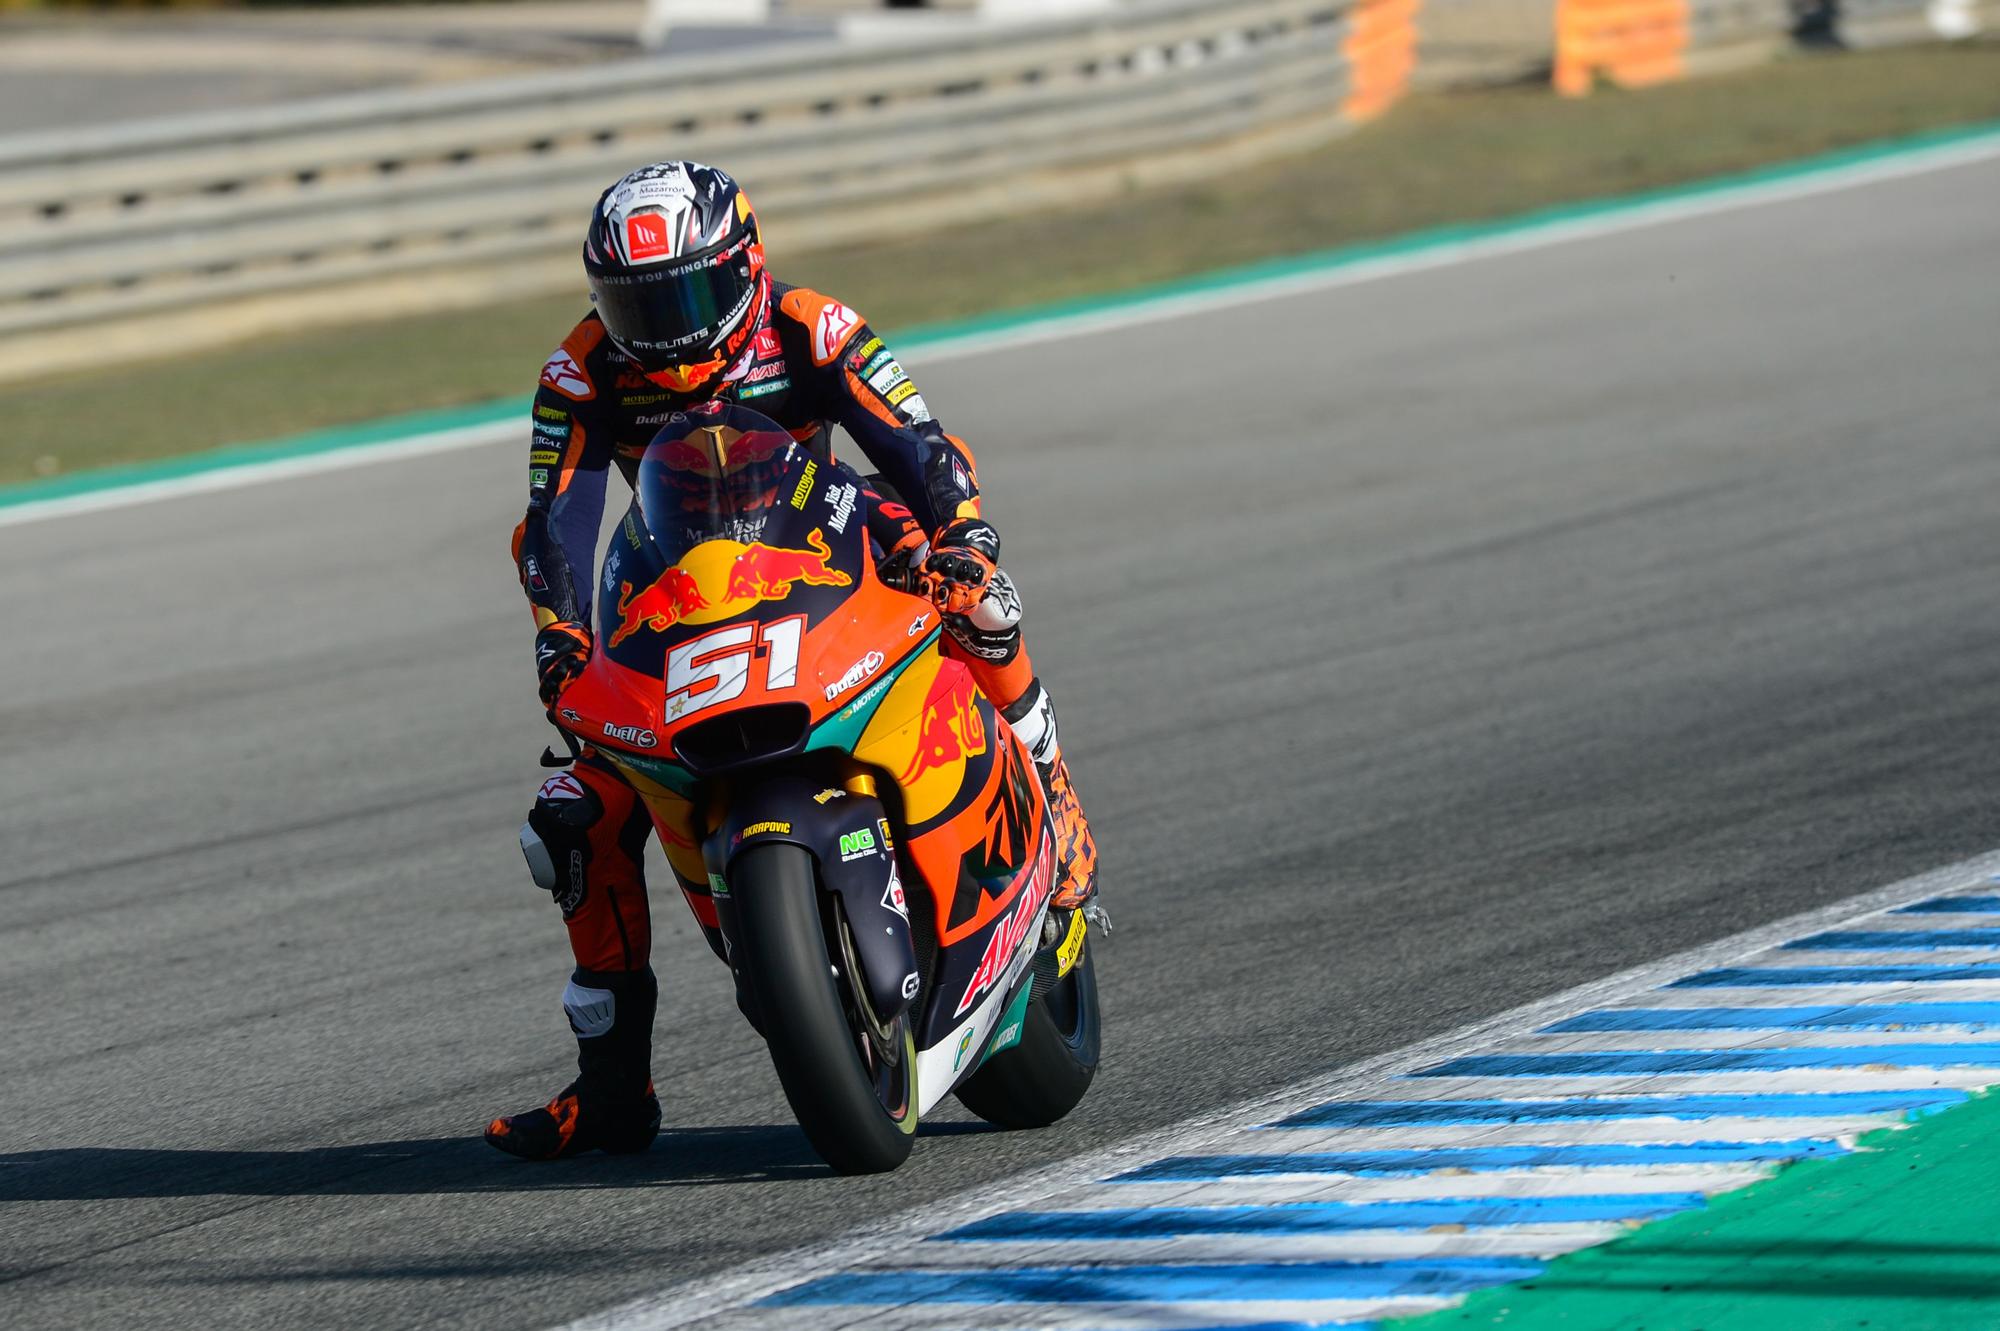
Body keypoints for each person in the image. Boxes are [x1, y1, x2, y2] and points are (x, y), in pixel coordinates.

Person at [486, 160, 1097, 1159]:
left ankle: (1054, 787)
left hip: (832, 529)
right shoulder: (580, 370)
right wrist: (558, 629)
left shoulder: (812, 324)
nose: (665, 326)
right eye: (636, 300)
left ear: (745, 268)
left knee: (979, 601)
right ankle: (612, 1089)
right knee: (571, 821)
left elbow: (918, 444)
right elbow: (557, 517)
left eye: (685, 295)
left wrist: (962, 534)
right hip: (679, 580)